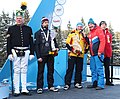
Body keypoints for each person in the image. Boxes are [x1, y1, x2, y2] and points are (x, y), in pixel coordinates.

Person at [7, 10, 34, 97]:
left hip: (26, 51)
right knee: (17, 70)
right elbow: (8, 42)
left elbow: (31, 42)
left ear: (23, 19)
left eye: (20, 18)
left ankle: (24, 88)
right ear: (16, 19)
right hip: (15, 51)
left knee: (24, 70)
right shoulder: (11, 29)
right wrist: (9, 53)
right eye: (17, 18)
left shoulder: (28, 29)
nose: (19, 20)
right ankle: (17, 89)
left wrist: (32, 53)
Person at [34, 17, 59, 94]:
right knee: (40, 71)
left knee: (50, 71)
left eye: (47, 22)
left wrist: (57, 47)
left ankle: (50, 86)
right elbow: (36, 46)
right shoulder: (37, 33)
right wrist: (38, 56)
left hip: (50, 54)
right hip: (42, 55)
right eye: (45, 22)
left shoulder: (51, 32)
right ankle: (39, 87)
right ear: (42, 23)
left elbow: (54, 41)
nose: (46, 24)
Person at [64, 22, 89, 90]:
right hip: (72, 54)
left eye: (81, 26)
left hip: (80, 55)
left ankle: (77, 83)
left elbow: (87, 44)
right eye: (79, 26)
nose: (80, 28)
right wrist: (72, 50)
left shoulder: (83, 35)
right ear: (76, 27)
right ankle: (67, 84)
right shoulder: (72, 34)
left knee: (79, 69)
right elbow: (67, 43)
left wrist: (86, 50)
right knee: (70, 69)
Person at [87, 18, 105, 90]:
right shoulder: (90, 33)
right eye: (89, 24)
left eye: (91, 24)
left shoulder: (99, 30)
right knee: (93, 69)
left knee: (99, 69)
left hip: (98, 54)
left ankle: (100, 84)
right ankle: (94, 82)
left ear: (94, 24)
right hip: (92, 54)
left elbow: (102, 41)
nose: (90, 25)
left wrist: (100, 51)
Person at [99, 21, 114, 86]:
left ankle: (108, 80)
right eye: (102, 25)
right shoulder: (99, 33)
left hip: (107, 53)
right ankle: (98, 81)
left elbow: (109, 43)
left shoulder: (109, 34)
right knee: (99, 67)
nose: (103, 26)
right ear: (100, 26)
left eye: (104, 24)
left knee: (107, 67)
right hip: (100, 53)